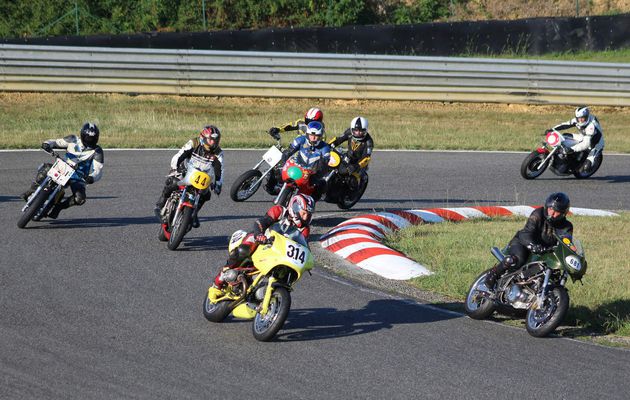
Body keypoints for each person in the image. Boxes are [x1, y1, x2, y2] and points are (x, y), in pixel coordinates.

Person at [212, 193, 315, 289]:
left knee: (288, 274)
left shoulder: (305, 229)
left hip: (279, 252)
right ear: (295, 208)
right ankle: (223, 274)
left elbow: (303, 246)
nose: (306, 217)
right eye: (304, 213)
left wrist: (308, 259)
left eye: (308, 215)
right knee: (244, 249)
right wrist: (259, 235)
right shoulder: (279, 211)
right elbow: (261, 222)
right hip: (263, 240)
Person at [485, 192, 573, 288]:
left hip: (545, 252)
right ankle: (492, 275)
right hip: (523, 243)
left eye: (556, 211)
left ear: (563, 213)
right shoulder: (538, 214)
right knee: (515, 260)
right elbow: (527, 233)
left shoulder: (567, 227)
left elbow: (566, 243)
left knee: (555, 274)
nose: (551, 213)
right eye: (550, 208)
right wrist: (534, 246)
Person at [20, 122, 104, 219]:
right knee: (45, 169)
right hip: (63, 167)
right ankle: (31, 191)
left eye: (93, 138)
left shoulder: (97, 151)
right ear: (82, 135)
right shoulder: (72, 139)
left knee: (80, 198)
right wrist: (47, 144)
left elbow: (98, 169)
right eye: (88, 137)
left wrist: (91, 177)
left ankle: (58, 208)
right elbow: (56, 142)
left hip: (79, 177)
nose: (90, 140)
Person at [154, 125, 224, 228]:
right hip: (186, 171)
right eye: (211, 139)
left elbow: (220, 169)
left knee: (206, 195)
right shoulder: (194, 143)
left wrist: (218, 184)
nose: (213, 142)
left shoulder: (218, 152)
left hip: (202, 177)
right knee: (172, 181)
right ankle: (161, 202)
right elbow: (179, 155)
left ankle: (193, 213)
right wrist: (175, 168)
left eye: (215, 140)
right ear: (203, 137)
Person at [265, 120, 331, 198]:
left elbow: (324, 165)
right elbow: (289, 151)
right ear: (307, 134)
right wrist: (283, 162)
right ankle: (275, 187)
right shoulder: (300, 140)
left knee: (322, 185)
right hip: (297, 167)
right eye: (311, 135)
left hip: (310, 174)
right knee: (277, 170)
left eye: (316, 136)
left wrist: (316, 176)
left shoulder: (325, 148)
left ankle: (310, 202)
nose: (313, 138)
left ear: (320, 136)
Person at [548, 106, 605, 170]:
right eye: (578, 118)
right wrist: (553, 129)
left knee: (587, 167)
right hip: (584, 137)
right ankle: (565, 156)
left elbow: (586, 144)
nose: (580, 120)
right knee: (565, 136)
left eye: (582, 118)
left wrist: (572, 149)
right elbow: (566, 124)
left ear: (587, 117)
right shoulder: (577, 120)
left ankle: (577, 165)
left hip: (595, 145)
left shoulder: (591, 126)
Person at [328, 116, 374, 190]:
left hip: (359, 163)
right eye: (356, 130)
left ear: (365, 130)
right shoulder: (349, 132)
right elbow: (339, 139)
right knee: (333, 164)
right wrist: (328, 145)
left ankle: (348, 193)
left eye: (361, 131)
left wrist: (356, 166)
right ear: (352, 129)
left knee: (352, 181)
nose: (358, 133)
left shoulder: (368, 142)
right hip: (349, 157)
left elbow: (367, 158)